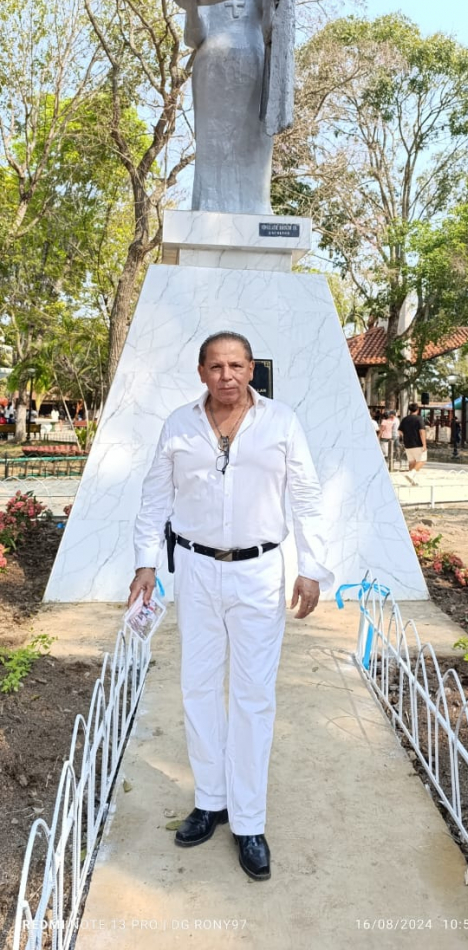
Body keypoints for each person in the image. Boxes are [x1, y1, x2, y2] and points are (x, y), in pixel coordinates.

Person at [130, 331, 332, 882]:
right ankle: (211, 801)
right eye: (215, 366)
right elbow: (154, 497)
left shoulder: (281, 422)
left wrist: (312, 567)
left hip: (260, 572)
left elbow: (307, 496)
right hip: (194, 569)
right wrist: (146, 563)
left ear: (250, 371)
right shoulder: (179, 424)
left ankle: (249, 820)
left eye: (236, 365)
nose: (226, 375)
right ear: (201, 372)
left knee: (252, 696)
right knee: (198, 686)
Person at [171, 0, 294, 215]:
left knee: (254, 142)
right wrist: (192, 8)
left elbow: (273, 20)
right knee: (214, 145)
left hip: (254, 67)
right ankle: (209, 205)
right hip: (213, 70)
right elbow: (194, 38)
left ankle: (256, 206)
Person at [399, 403, 427, 485]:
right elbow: (422, 431)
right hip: (417, 443)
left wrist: (406, 435)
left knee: (412, 462)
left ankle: (412, 481)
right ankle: (411, 474)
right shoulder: (419, 419)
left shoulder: (405, 419)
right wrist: (424, 444)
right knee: (422, 460)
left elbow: (400, 431)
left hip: (407, 443)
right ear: (418, 410)